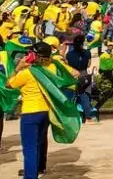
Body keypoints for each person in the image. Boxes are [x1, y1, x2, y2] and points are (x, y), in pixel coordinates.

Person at [5, 41, 71, 179]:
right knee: (39, 144)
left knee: (29, 149)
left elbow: (8, 84)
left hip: (30, 113)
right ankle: (39, 169)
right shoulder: (51, 69)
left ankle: (30, 176)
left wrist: (18, 67)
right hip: (45, 112)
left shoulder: (27, 73)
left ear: (35, 56)